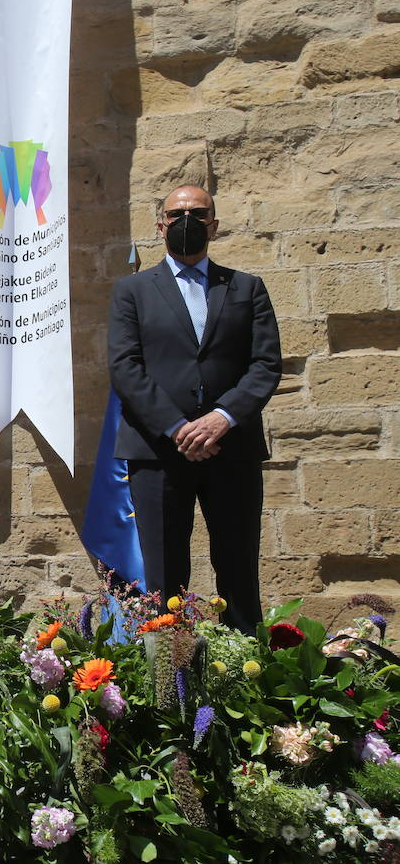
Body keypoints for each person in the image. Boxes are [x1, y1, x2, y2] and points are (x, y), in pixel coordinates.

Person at [107, 184, 282, 633]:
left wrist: (220, 419)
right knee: (164, 579)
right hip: (158, 454)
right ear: (161, 224)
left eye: (198, 214)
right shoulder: (132, 291)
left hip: (232, 449)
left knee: (239, 569)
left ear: (214, 225)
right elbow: (126, 368)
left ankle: (248, 674)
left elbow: (265, 365)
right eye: (177, 214)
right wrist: (178, 427)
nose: (187, 221)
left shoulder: (247, 288)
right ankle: (169, 685)